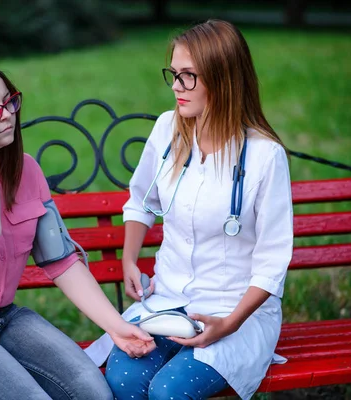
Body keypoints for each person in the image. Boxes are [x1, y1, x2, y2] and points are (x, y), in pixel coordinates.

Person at [0, 58, 155, 400]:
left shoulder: (27, 171)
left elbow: (61, 260)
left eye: (8, 101)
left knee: (94, 392)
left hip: (5, 320)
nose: (6, 115)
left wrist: (117, 327)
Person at [101, 20, 294, 399]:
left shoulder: (264, 157)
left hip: (233, 313)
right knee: (123, 381)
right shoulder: (167, 129)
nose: (175, 86)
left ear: (224, 80)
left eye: (188, 76)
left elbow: (272, 262)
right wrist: (128, 260)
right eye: (173, 74)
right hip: (166, 301)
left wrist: (229, 324)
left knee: (168, 391)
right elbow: (142, 200)